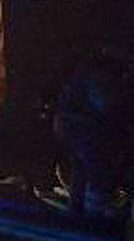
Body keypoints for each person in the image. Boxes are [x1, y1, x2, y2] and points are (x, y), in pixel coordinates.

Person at [52, 47, 134, 219]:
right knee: (95, 167)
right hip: (81, 126)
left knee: (83, 169)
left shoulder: (93, 75)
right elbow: (105, 105)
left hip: (73, 124)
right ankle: (93, 214)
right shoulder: (101, 78)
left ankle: (78, 211)